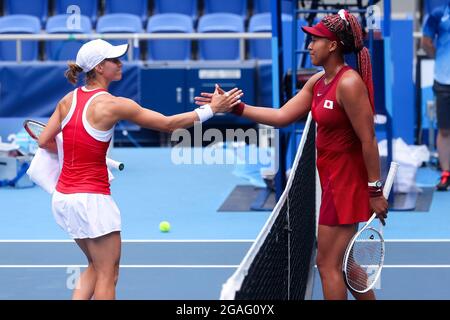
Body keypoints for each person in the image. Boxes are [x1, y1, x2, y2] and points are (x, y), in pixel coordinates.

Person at [195, 10, 388, 300]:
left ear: (333, 45)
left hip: (345, 185)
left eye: (315, 40)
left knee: (327, 265)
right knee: (345, 262)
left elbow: (368, 140)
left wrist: (375, 190)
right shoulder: (318, 82)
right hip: (332, 183)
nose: (309, 46)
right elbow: (282, 116)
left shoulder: (348, 84)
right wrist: (236, 108)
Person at [37, 39, 242, 300]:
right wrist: (212, 109)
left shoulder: (67, 100)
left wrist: (80, 147)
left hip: (64, 199)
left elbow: (44, 141)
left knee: (95, 266)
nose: (120, 63)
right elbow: (169, 125)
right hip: (92, 200)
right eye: (114, 59)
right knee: (108, 274)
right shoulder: (114, 104)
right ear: (100, 68)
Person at [422, 0, 450, 191]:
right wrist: (441, 59)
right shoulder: (439, 12)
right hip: (443, 79)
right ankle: (446, 173)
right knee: (444, 130)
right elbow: (426, 42)